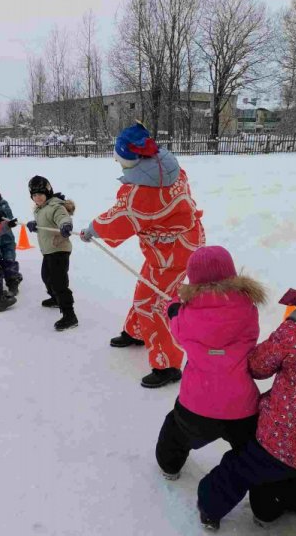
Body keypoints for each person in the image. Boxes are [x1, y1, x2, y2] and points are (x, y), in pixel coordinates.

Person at [80, 122, 205, 388]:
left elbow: (120, 219)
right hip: (174, 245)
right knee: (146, 287)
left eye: (119, 158)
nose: (117, 162)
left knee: (152, 303)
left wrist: (92, 229)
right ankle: (136, 331)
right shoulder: (168, 168)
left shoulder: (142, 194)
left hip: (172, 254)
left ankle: (167, 364)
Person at [197, 286, 296, 531]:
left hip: (279, 438)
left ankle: (210, 508)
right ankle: (290, 502)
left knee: (241, 469)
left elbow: (258, 366)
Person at [156, 246, 266, 484]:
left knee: (174, 433)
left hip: (195, 405)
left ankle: (169, 467)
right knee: (249, 448)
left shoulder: (186, 316)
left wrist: (173, 308)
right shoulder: (248, 309)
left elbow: (177, 329)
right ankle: (258, 486)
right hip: (242, 406)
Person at [26, 175, 77, 331]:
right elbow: (45, 225)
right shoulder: (40, 209)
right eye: (34, 195)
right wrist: (35, 225)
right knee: (46, 277)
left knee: (59, 282)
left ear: (47, 192)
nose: (37, 198)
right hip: (48, 250)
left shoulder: (56, 206)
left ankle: (69, 315)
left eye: (40, 194)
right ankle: (56, 299)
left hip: (59, 249)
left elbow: (62, 217)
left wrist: (66, 225)